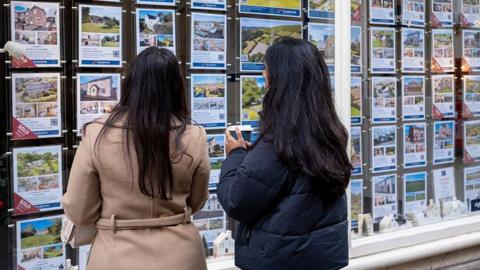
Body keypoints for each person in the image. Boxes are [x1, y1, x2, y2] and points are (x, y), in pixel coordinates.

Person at [63, 47, 210, 270]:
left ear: (130, 84)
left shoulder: (96, 134)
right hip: (182, 255)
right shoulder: (194, 135)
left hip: (116, 254)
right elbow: (197, 201)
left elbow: (80, 210)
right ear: (177, 87)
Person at [217, 37, 352, 270]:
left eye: (266, 71)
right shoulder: (330, 133)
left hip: (282, 261)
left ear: (279, 80)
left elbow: (237, 201)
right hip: (322, 259)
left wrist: (236, 155)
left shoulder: (280, 141)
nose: (263, 76)